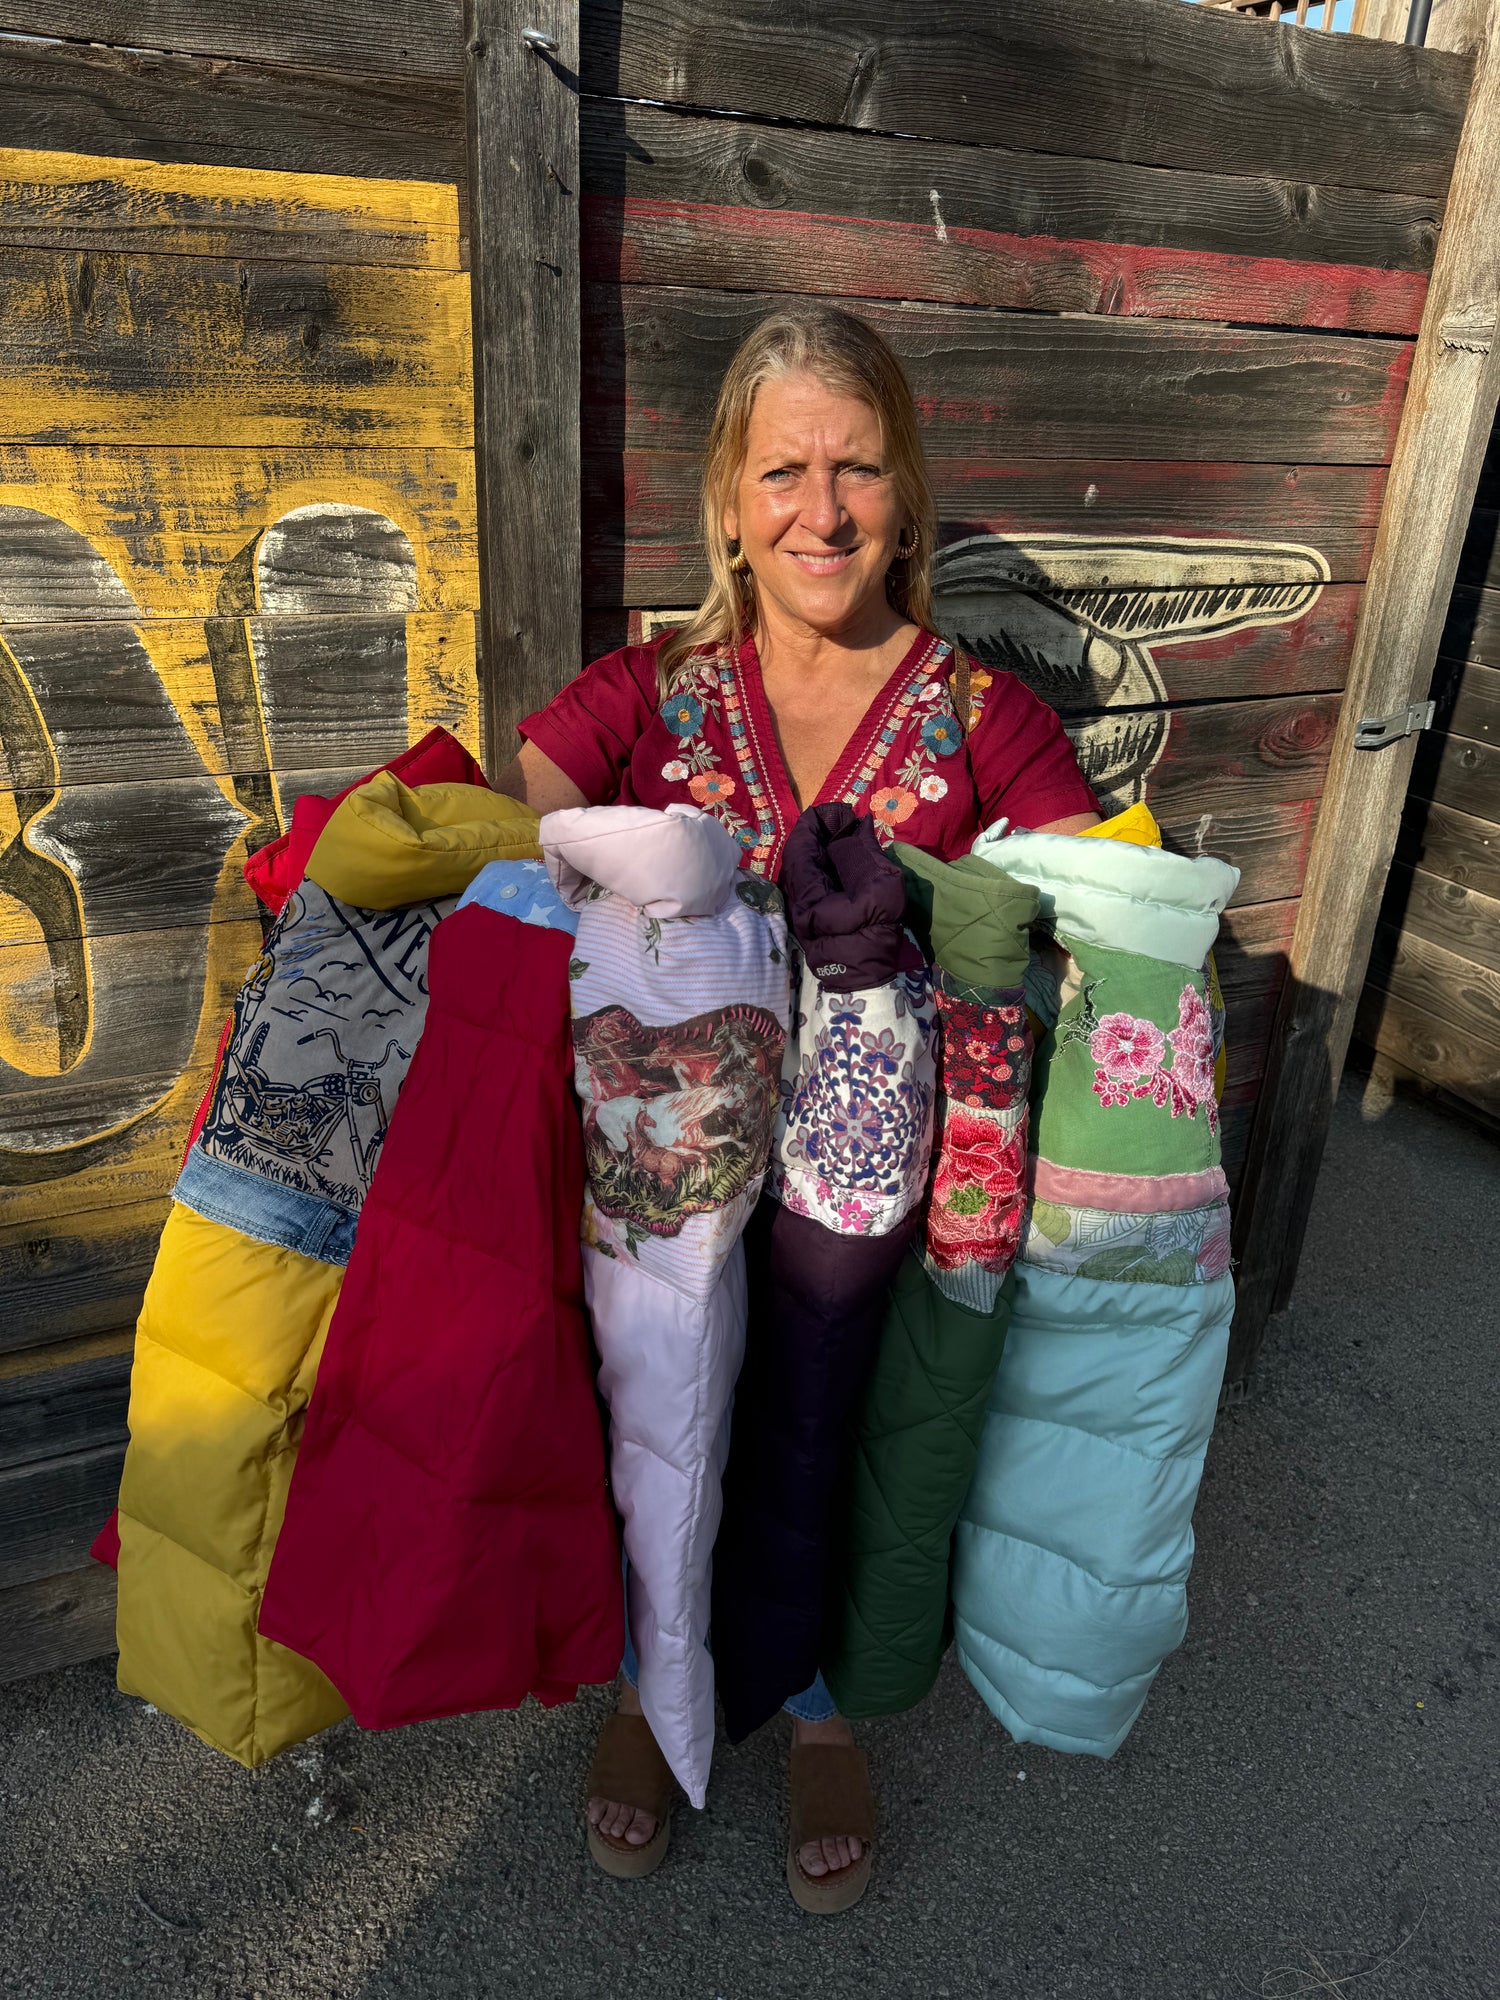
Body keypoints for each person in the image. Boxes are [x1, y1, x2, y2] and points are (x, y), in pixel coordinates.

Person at [496, 301, 1099, 1910]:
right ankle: (656, 1684)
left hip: (870, 1203)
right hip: (668, 1193)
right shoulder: (650, 695)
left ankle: (823, 1706)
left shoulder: (984, 718)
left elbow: (1093, 907)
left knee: (832, 1423)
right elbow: (512, 835)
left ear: (907, 492)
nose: (820, 513)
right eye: (783, 472)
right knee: (658, 1418)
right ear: (728, 501)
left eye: (857, 468)